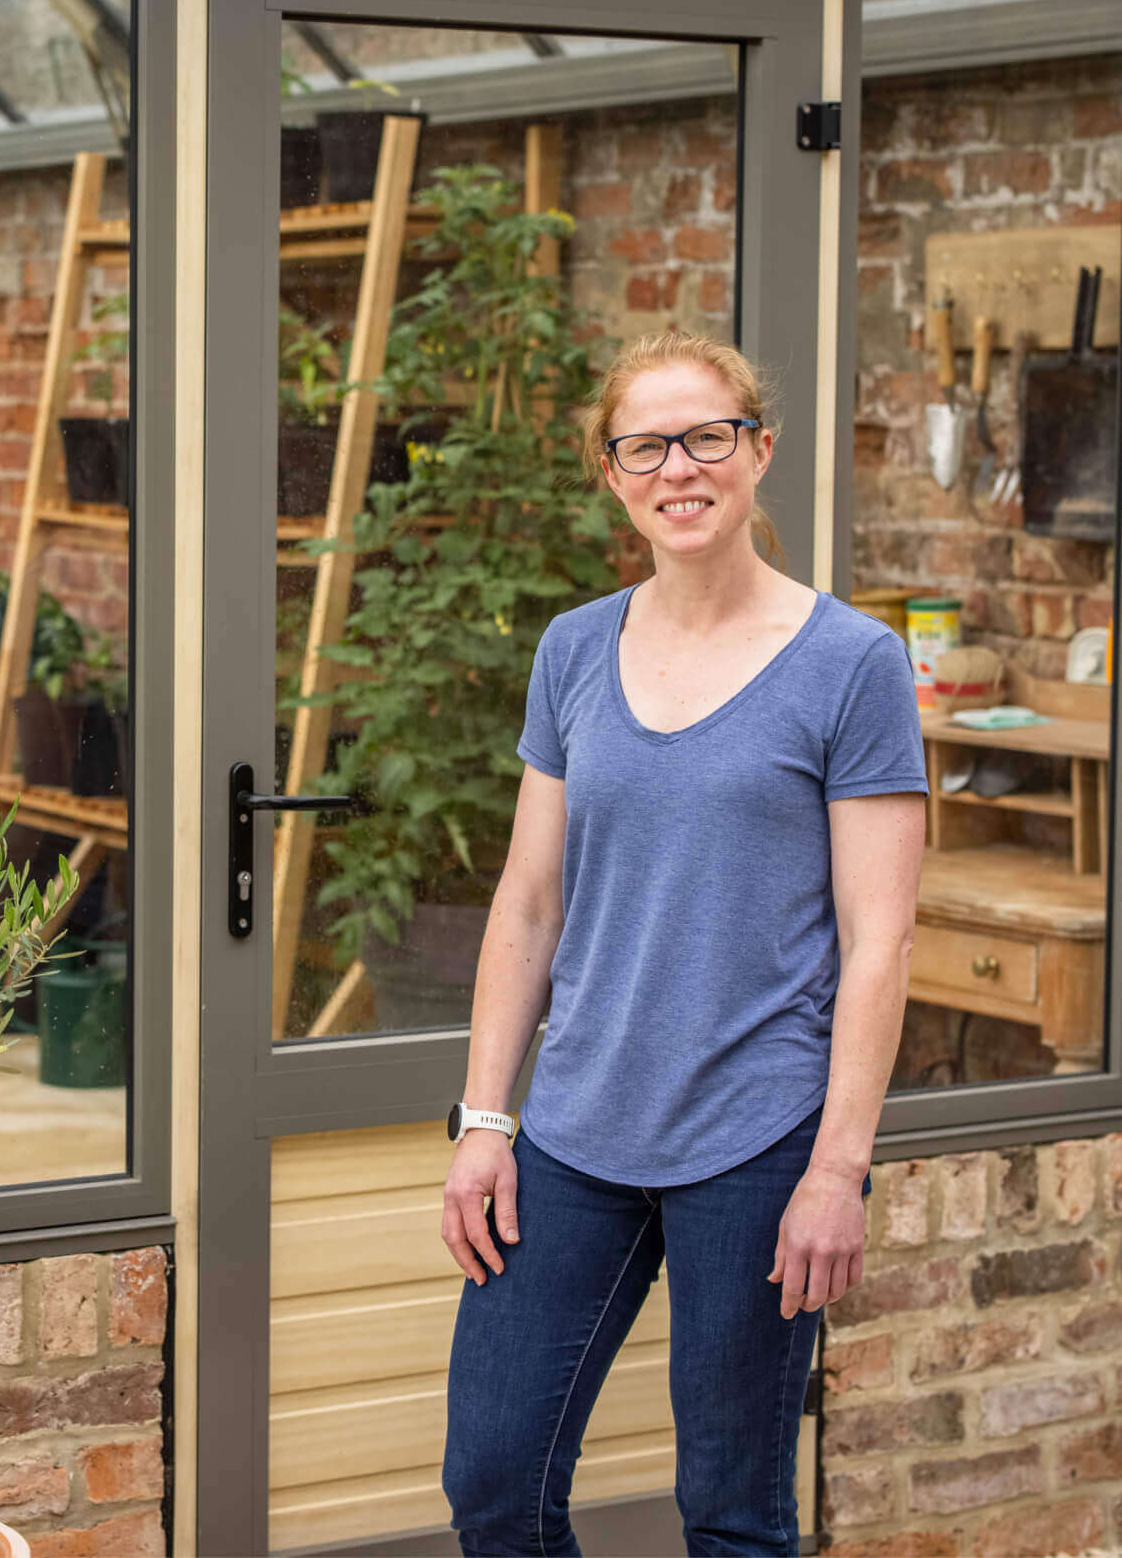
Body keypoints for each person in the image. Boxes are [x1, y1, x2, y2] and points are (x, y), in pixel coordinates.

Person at [439, 331, 928, 1556]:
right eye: (644, 444)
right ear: (611, 474)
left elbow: (881, 937)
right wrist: (484, 1121)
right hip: (574, 1130)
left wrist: (836, 1169)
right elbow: (527, 902)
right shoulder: (571, 649)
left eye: (706, 436)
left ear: (757, 451)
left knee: (732, 1509)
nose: (678, 467)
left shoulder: (849, 663)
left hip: (757, 1140)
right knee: (493, 1477)